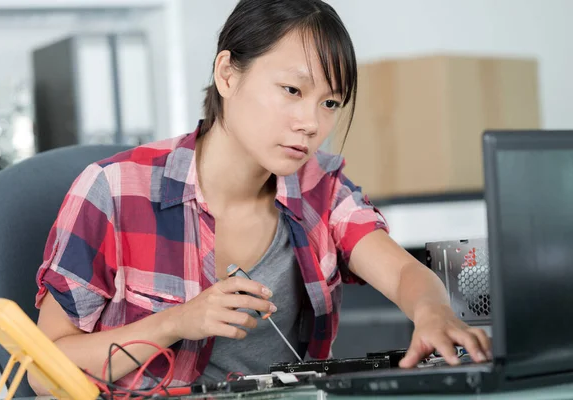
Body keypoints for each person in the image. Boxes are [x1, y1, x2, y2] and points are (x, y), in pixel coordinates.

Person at [29, 0, 491, 394]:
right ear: (228, 75)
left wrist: (432, 312)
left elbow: (404, 272)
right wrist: (175, 323)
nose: (311, 123)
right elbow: (42, 372)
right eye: (292, 90)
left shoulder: (320, 190)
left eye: (330, 103)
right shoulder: (113, 191)